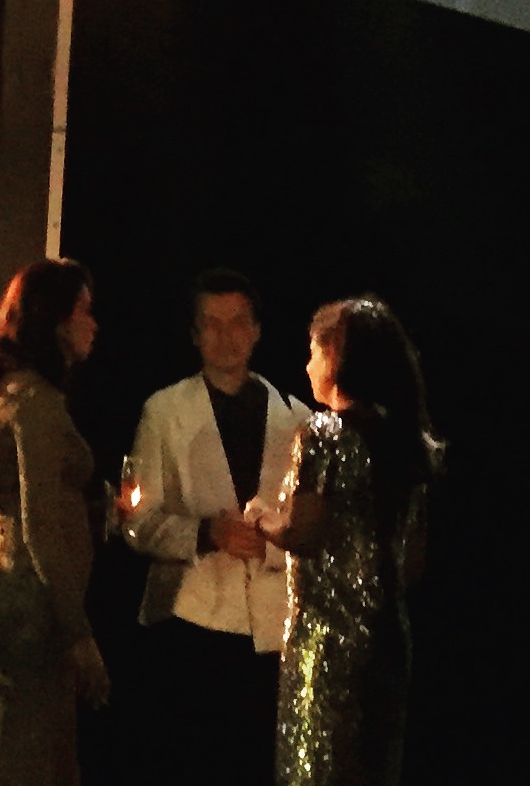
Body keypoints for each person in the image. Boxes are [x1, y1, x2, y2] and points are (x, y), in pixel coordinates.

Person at [123, 269, 307, 786]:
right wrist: (206, 533)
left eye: (239, 322)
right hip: (196, 617)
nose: (228, 337)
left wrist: (272, 544)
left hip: (273, 626)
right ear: (194, 334)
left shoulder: (295, 417)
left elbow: (314, 529)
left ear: (257, 330)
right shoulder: (163, 411)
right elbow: (137, 520)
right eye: (213, 324)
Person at [259, 298, 441, 786]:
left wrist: (263, 521)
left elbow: (304, 533)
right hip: (388, 642)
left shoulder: (325, 434)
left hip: (327, 644)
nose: (307, 366)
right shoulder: (406, 445)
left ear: (337, 358)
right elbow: (413, 562)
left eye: (314, 353)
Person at [0, 257, 108, 786]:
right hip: (35, 613)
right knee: (33, 764)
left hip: (18, 601)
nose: (94, 324)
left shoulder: (14, 392)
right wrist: (80, 636)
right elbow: (40, 530)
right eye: (85, 311)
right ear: (56, 320)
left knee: (33, 755)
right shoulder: (35, 403)